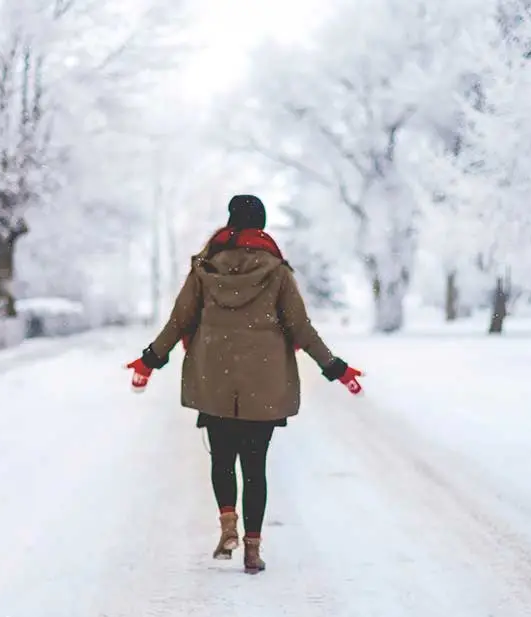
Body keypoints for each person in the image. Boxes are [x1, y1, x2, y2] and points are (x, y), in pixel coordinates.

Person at [126, 194, 363, 574]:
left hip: (213, 377)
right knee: (255, 466)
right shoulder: (277, 272)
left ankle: (228, 526)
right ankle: (252, 551)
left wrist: (150, 359)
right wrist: (336, 368)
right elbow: (300, 329)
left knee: (221, 458)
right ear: (262, 226)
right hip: (264, 382)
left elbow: (179, 321)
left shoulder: (205, 268)